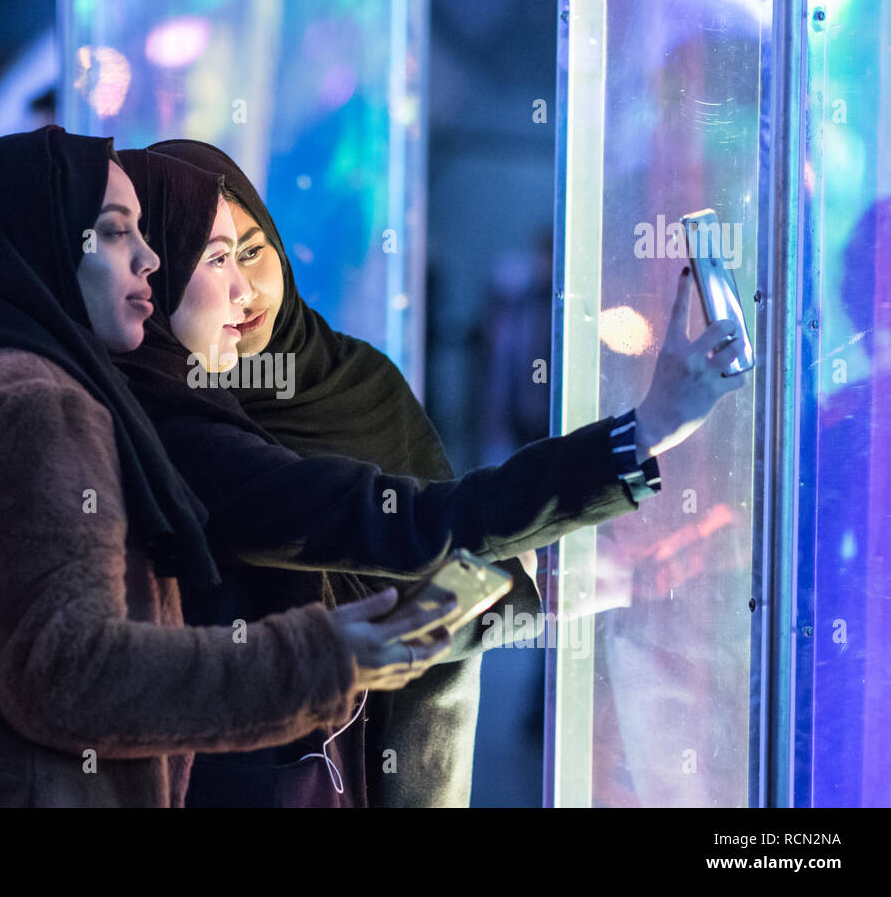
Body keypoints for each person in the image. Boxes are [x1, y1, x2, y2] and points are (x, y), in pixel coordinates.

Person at [0, 126, 456, 808]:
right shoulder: (34, 403)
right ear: (38, 242)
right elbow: (71, 674)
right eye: (112, 232)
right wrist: (318, 660)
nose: (148, 259)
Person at [115, 143, 749, 808]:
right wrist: (637, 436)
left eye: (251, 249)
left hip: (420, 766)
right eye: (210, 259)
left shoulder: (349, 376)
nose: (245, 289)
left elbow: (418, 551)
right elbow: (396, 544)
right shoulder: (175, 428)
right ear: (153, 279)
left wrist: (540, 579)